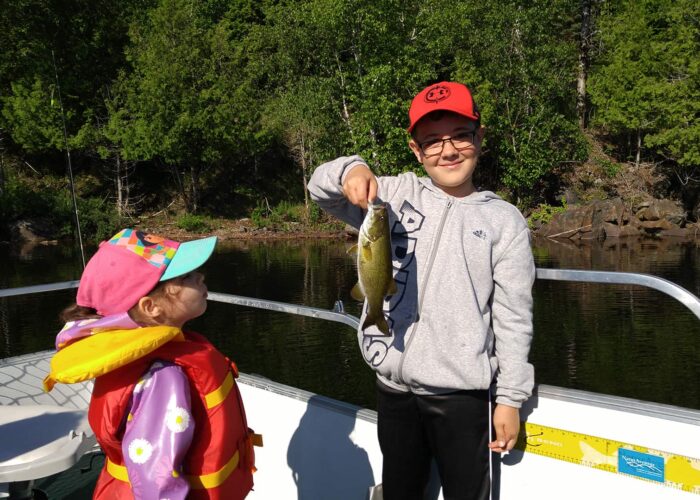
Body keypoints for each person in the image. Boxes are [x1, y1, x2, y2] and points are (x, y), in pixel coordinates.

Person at [308, 81, 535, 500]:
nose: (447, 151)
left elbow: (514, 316)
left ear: (479, 137)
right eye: (432, 142)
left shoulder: (506, 221)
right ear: (416, 150)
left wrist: (510, 399)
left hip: (462, 394)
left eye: (460, 136)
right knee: (400, 490)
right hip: (393, 386)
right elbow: (318, 188)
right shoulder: (392, 196)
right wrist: (352, 170)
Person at [43, 228, 260, 499]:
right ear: (150, 308)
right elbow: (155, 477)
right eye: (187, 276)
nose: (201, 276)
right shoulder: (163, 376)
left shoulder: (157, 355)